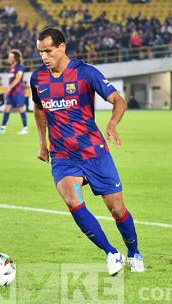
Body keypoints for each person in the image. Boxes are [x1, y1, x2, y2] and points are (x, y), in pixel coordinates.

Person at [30, 27, 144, 275]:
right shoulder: (38, 79)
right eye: (40, 52)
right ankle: (112, 252)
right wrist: (42, 142)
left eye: (48, 51)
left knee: (117, 209)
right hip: (63, 156)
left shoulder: (85, 73)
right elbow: (39, 109)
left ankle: (134, 252)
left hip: (94, 152)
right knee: (72, 201)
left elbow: (118, 100)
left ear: (61, 47)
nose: (44, 57)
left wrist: (112, 124)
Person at [0, 49, 28, 135]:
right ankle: (2, 128)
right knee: (7, 109)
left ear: (15, 58)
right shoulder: (10, 68)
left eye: (10, 57)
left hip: (18, 91)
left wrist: (8, 88)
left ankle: (25, 128)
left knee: (20, 109)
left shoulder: (20, 67)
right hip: (12, 92)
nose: (8, 58)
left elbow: (18, 79)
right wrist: (9, 90)